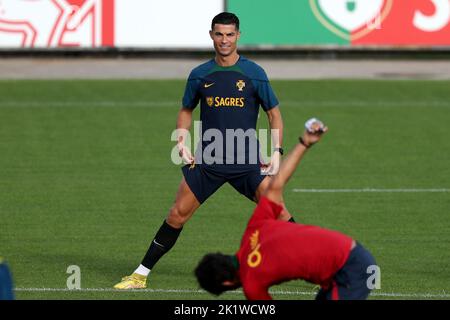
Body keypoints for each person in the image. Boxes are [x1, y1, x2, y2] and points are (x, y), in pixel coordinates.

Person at [114, 12, 292, 289]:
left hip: (247, 162)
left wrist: (277, 150)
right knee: (176, 214)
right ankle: (140, 275)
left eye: (230, 34)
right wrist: (181, 141)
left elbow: (274, 115)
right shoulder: (199, 75)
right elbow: (186, 110)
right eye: (219, 34)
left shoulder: (254, 74)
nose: (224, 40)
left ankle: (324, 272)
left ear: (238, 36)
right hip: (208, 160)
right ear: (211, 35)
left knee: (280, 215)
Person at [195, 118, 378, 300]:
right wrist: (304, 142)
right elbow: (275, 185)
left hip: (352, 270)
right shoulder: (253, 230)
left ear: (226, 284)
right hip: (352, 259)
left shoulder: (252, 284)